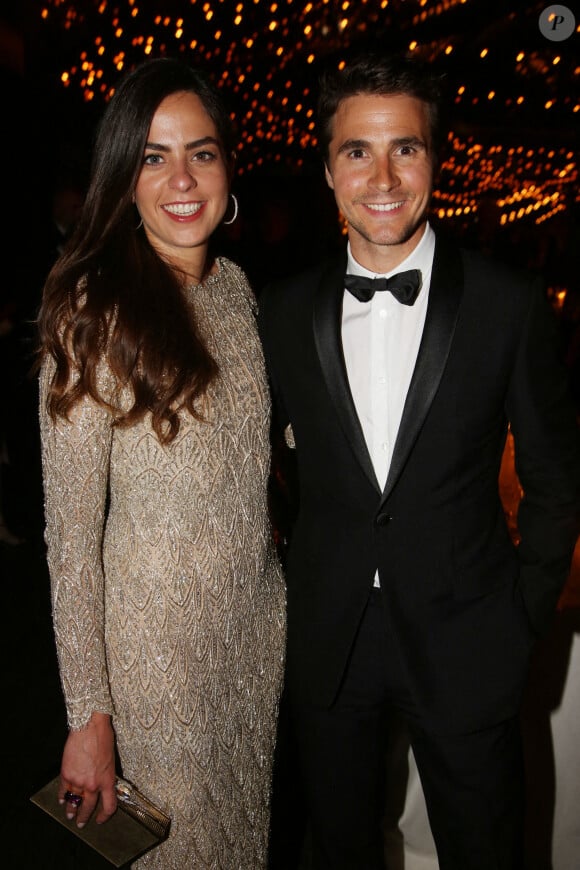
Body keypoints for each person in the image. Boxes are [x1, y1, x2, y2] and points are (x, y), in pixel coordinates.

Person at [258, 51, 580, 870]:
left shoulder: (509, 306)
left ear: (435, 158)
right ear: (329, 169)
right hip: (330, 643)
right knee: (337, 851)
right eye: (357, 151)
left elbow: (553, 481)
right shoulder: (284, 314)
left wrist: (520, 623)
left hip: (470, 638)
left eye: (405, 147)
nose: (383, 176)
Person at [37, 56, 285, 868]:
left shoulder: (240, 288)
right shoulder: (91, 309)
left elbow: (254, 446)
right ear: (124, 176)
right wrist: (89, 715)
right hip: (157, 668)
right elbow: (70, 539)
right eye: (154, 156)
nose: (182, 178)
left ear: (226, 168)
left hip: (255, 640)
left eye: (201, 152)